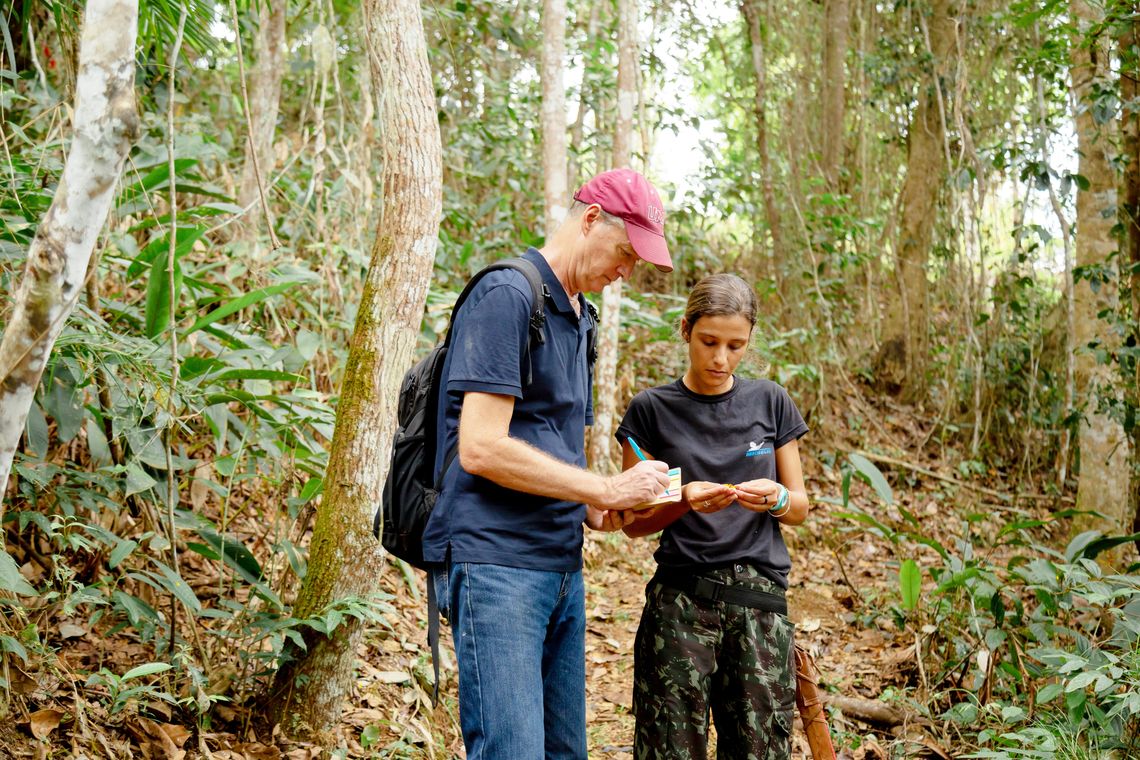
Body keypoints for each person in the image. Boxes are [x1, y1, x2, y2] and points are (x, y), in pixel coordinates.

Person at [421, 169, 675, 760]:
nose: (626, 272)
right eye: (625, 253)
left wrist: (598, 505)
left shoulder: (580, 317)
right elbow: (480, 446)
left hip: (561, 567)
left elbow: (555, 445)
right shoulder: (508, 296)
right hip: (497, 564)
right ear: (591, 220)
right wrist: (602, 486)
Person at [612, 273, 810, 760]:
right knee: (669, 749)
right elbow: (633, 521)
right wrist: (683, 500)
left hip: (758, 604)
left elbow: (800, 506)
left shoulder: (770, 401)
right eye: (709, 342)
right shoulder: (651, 410)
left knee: (760, 749)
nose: (721, 358)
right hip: (680, 603)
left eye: (735, 346)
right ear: (686, 330)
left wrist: (776, 498)